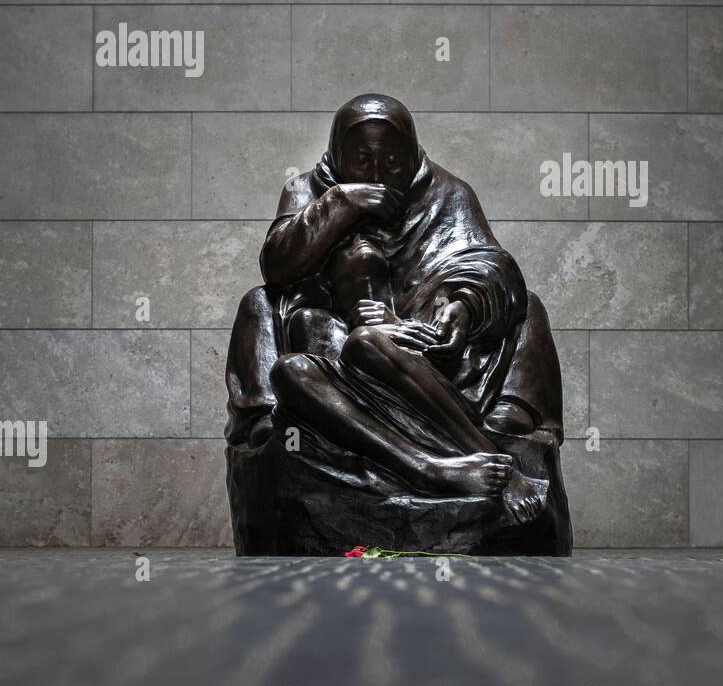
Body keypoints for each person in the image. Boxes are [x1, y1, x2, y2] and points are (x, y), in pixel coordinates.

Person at [225, 94, 571, 551]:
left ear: (411, 154)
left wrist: (461, 308)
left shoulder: (447, 193)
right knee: (261, 309)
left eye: (391, 160)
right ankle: (275, 426)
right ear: (338, 155)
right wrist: (341, 203)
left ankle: (504, 424)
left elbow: (490, 264)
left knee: (526, 304)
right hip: (332, 341)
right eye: (362, 159)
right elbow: (278, 266)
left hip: (420, 340)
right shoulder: (309, 190)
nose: (377, 173)